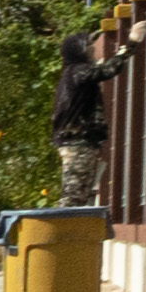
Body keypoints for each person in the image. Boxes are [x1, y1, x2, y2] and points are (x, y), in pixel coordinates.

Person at [48, 25, 114, 210]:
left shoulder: (73, 73)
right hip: (77, 144)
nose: (92, 48)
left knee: (80, 196)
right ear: (79, 51)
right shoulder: (78, 71)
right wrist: (132, 42)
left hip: (80, 143)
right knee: (73, 197)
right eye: (88, 45)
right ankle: (63, 236)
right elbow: (107, 71)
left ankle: (73, 236)